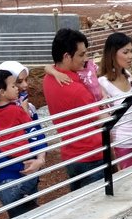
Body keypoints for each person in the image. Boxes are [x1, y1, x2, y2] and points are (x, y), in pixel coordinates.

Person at [0, 61, 49, 217]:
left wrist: (40, 159)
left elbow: (37, 133)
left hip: (29, 172)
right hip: (8, 178)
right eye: (17, 83)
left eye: (26, 80)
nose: (24, 86)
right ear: (1, 91)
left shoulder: (27, 109)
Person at [43, 28, 104, 191]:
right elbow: (101, 120)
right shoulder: (76, 89)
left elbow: (48, 67)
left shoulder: (48, 79)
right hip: (91, 154)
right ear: (66, 56)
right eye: (81, 55)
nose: (86, 59)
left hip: (71, 154)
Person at [97, 32, 132, 170]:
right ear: (112, 53)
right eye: (125, 52)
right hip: (120, 142)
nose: (130, 56)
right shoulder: (102, 83)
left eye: (131, 51)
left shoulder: (128, 76)